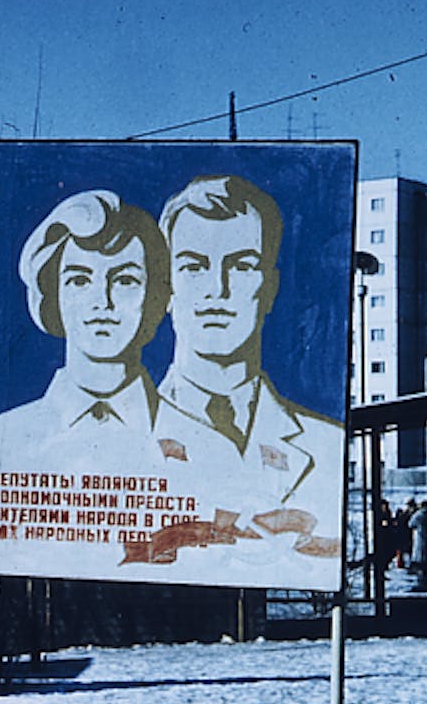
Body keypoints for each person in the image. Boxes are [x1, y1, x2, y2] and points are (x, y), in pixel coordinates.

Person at [148, 175, 345, 578]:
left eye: (241, 266)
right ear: (166, 287)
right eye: (193, 267)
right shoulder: (119, 434)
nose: (217, 289)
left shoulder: (327, 442)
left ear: (269, 288)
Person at [0, 189, 170, 466]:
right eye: (79, 281)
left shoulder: (204, 444)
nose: (102, 302)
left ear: (154, 295)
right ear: (52, 294)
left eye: (124, 281)